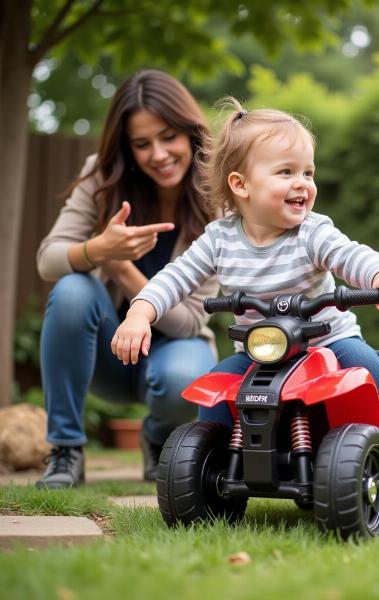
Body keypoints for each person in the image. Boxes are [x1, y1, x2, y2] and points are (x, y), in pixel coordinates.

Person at [111, 98, 379, 425]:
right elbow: (174, 278)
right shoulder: (218, 239)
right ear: (240, 184)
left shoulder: (312, 232)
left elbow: (350, 255)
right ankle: (214, 456)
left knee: (361, 364)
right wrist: (139, 313)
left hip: (327, 343)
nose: (302, 183)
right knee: (215, 392)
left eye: (308, 172)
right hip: (260, 353)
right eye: (286, 172)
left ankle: (359, 441)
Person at [35, 70, 219, 489]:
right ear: (127, 147)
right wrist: (98, 252)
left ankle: (157, 437)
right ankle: (65, 451)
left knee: (183, 383)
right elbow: (48, 259)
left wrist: (120, 268)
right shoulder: (102, 176)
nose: (158, 154)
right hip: (107, 353)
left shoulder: (218, 197)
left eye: (168, 136)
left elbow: (190, 320)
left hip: (175, 348)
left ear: (190, 131)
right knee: (71, 290)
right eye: (142, 144)